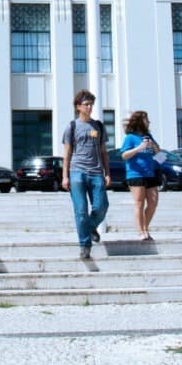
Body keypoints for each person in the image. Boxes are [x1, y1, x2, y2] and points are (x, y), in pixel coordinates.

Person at [62, 89, 111, 260]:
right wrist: (65, 176)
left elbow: (104, 152)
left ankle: (90, 228)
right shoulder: (72, 127)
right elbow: (67, 153)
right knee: (81, 210)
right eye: (86, 104)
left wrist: (107, 173)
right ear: (78, 107)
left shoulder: (98, 126)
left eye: (91, 104)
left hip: (96, 172)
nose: (90, 107)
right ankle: (85, 245)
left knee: (101, 206)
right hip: (77, 172)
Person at [121, 111, 160, 241]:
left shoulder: (148, 136)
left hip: (150, 173)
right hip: (135, 173)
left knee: (153, 202)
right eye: (146, 119)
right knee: (139, 202)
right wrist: (139, 148)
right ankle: (140, 231)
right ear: (139, 121)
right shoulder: (130, 137)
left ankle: (145, 227)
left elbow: (160, 156)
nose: (148, 122)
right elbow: (124, 155)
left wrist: (153, 145)